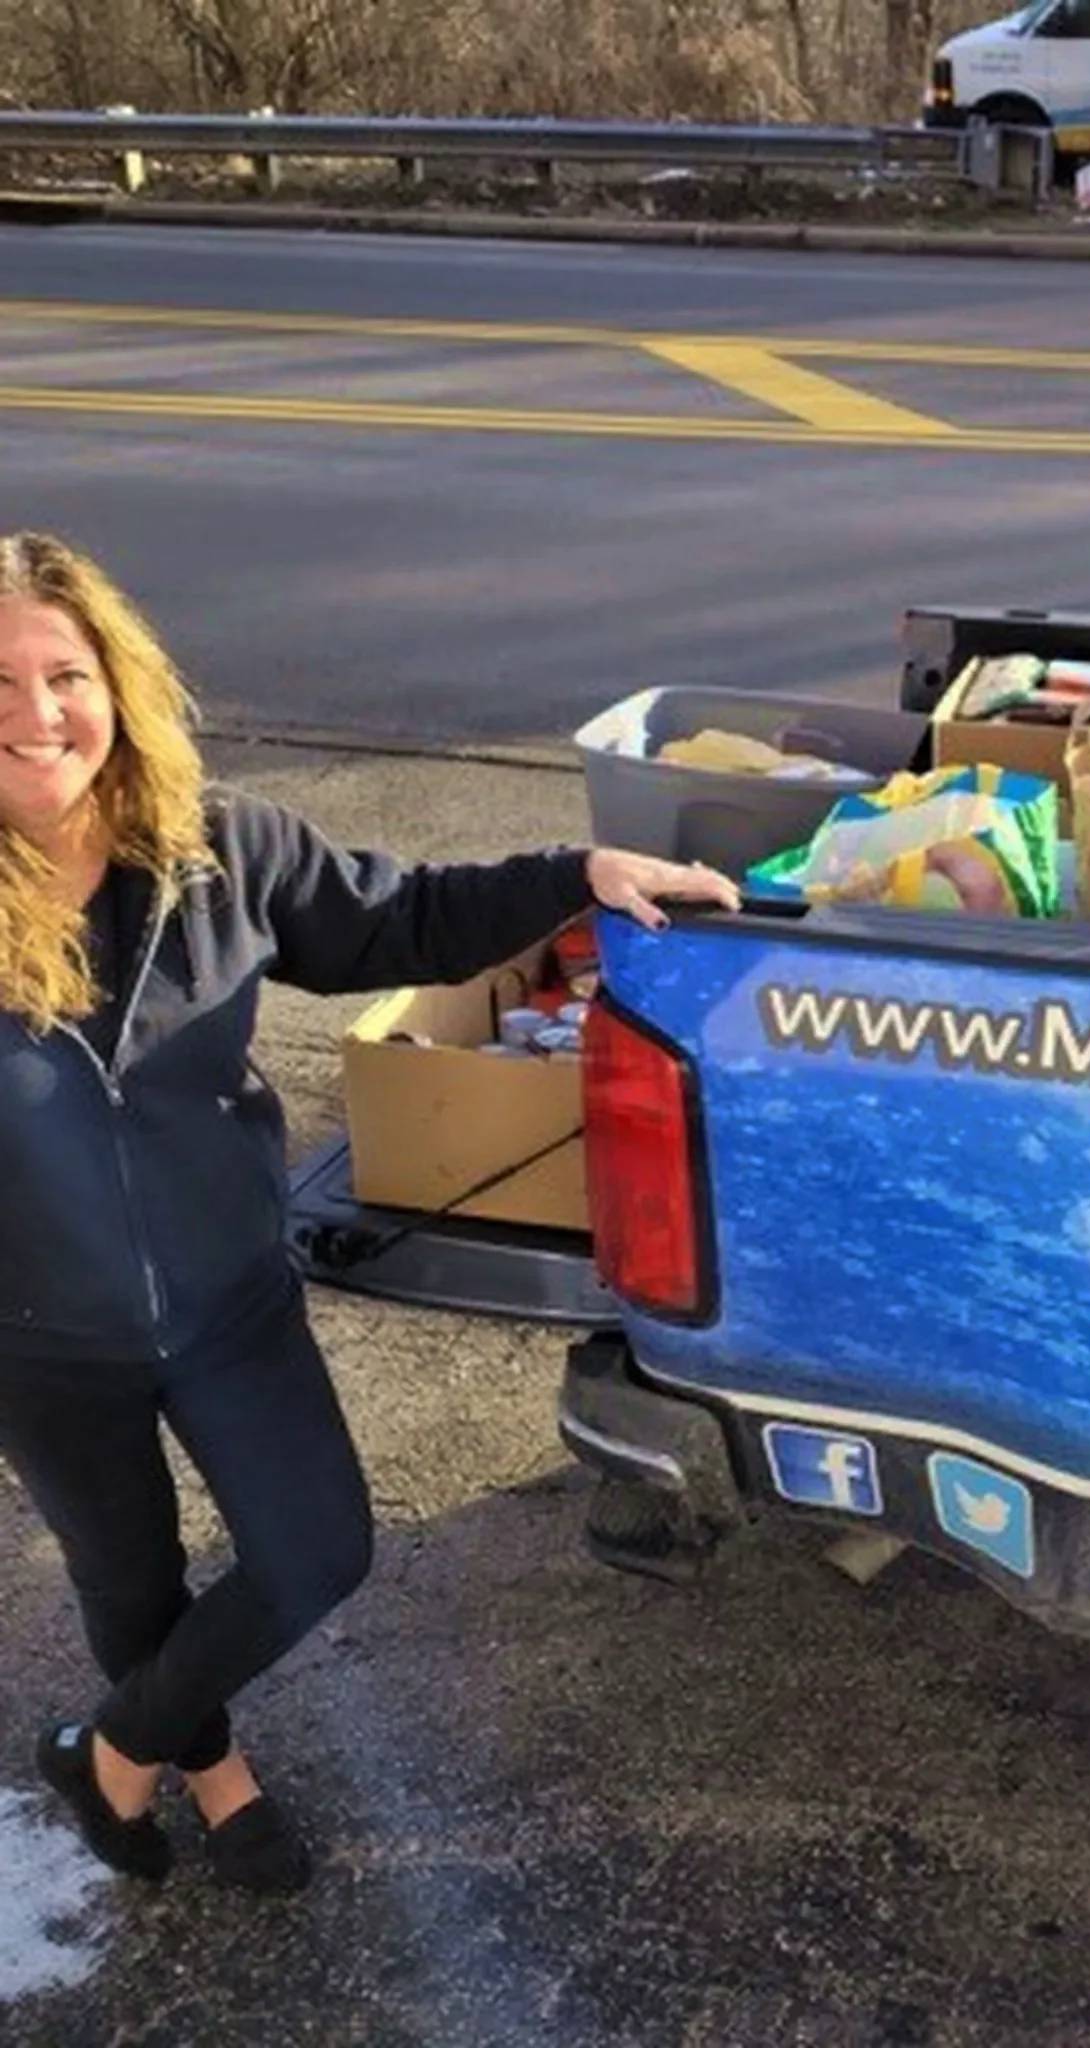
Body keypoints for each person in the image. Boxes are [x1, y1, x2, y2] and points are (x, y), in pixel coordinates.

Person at [0, 531, 740, 1896]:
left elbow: (398, 920)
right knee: (129, 1580)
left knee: (315, 1551)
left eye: (64, 675)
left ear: (117, 683)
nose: (37, 715)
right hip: (43, 1343)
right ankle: (212, 1773)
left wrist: (575, 876)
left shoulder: (218, 850)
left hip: (229, 1302)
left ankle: (109, 1754)